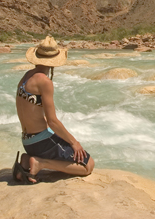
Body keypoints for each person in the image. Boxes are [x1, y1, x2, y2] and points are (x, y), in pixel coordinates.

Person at [12, 36, 94, 184]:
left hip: (27, 140)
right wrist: (74, 142)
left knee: (61, 142)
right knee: (87, 165)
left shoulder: (26, 76)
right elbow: (52, 121)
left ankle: (26, 160)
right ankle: (40, 163)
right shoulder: (44, 82)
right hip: (40, 142)